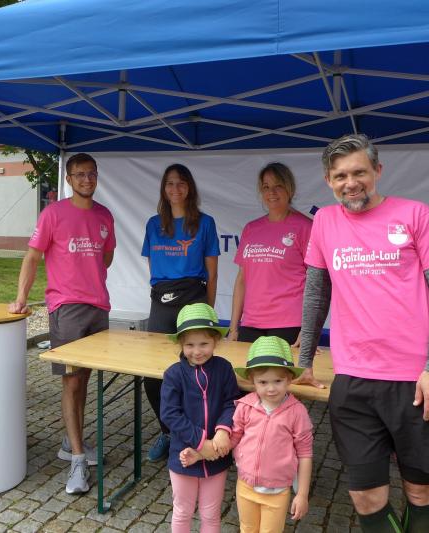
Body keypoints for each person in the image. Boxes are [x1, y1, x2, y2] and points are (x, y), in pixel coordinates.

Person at [295, 133, 429, 532]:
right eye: (340, 176)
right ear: (328, 180)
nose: (350, 183)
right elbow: (316, 294)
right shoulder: (325, 222)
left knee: (422, 491)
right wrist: (304, 360)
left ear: (378, 171)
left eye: (359, 173)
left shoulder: (416, 214)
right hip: (353, 381)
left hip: (417, 381)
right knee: (366, 497)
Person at [8, 152, 116, 495]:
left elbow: (107, 255)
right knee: (71, 381)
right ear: (68, 179)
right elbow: (32, 257)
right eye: (79, 174)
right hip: (66, 308)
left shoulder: (104, 215)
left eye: (91, 174)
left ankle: (73, 443)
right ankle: (77, 460)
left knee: (83, 379)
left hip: (98, 307)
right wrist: (21, 298)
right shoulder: (53, 213)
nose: (87, 179)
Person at [181, 336, 314, 532]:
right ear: (252, 381)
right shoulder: (245, 406)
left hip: (277, 491)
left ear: (289, 379)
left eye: (278, 381)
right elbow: (232, 439)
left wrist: (302, 494)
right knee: (247, 529)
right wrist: (200, 454)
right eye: (263, 382)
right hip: (245, 486)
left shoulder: (297, 412)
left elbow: (305, 454)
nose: (271, 388)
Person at [141, 163, 220, 462]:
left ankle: (196, 435)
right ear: (164, 188)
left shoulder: (205, 223)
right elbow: (153, 269)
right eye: (170, 183)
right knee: (153, 375)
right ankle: (167, 432)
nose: (175, 189)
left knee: (196, 369)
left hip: (194, 299)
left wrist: (207, 312)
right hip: (162, 301)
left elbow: (212, 274)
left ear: (190, 188)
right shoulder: (153, 224)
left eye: (181, 183)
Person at [160, 303, 240, 533]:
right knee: (182, 512)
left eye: (204, 344)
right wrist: (200, 441)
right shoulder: (174, 374)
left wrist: (223, 431)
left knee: (211, 514)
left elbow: (232, 402)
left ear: (215, 340)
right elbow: (170, 414)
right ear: (181, 344)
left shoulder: (224, 369)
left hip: (217, 455)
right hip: (183, 456)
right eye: (190, 345)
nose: (197, 351)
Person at [228, 163, 312, 346]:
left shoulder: (305, 227)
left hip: (289, 323)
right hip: (251, 323)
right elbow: (242, 279)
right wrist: (233, 328)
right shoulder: (251, 228)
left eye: (278, 186)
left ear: (290, 188)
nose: (271, 192)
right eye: (266, 187)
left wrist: (308, 329)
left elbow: (317, 282)